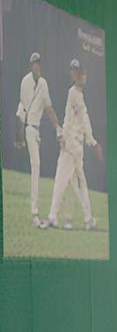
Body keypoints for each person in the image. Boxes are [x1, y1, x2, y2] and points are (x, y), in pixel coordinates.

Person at [46, 59, 102, 231]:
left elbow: (79, 120)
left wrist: (91, 142)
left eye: (81, 72)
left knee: (64, 181)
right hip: (73, 146)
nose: (80, 76)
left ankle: (54, 216)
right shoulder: (74, 94)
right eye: (77, 72)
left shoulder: (76, 94)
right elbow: (74, 120)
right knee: (76, 183)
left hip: (73, 147)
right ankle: (87, 219)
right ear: (74, 75)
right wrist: (92, 142)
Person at [14, 52, 60, 227]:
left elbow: (49, 108)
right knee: (36, 165)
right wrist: (19, 136)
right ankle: (35, 213)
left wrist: (57, 127)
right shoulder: (25, 82)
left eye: (40, 63)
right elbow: (21, 109)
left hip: (37, 131)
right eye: (35, 63)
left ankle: (37, 212)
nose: (38, 66)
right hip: (29, 128)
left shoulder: (43, 83)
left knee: (37, 166)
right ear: (31, 65)